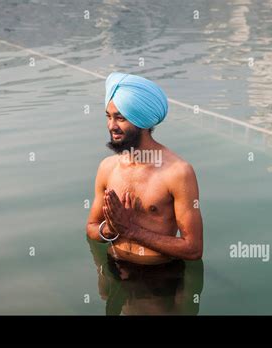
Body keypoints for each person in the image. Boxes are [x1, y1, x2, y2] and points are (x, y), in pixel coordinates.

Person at [86, 72, 203, 265]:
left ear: (142, 122)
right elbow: (91, 228)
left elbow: (193, 248)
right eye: (108, 117)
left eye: (120, 118)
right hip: (114, 265)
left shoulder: (178, 172)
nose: (111, 126)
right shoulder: (107, 167)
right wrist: (112, 229)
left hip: (159, 277)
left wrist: (132, 231)